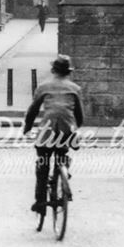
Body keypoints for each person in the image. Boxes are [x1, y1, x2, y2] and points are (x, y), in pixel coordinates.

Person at [22, 54, 84, 216]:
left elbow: (33, 111)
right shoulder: (75, 89)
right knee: (62, 154)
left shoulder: (43, 87)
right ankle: (64, 172)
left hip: (46, 134)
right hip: (66, 133)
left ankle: (40, 203)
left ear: (53, 70)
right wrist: (75, 129)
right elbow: (80, 116)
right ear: (68, 72)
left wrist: (27, 128)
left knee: (42, 166)